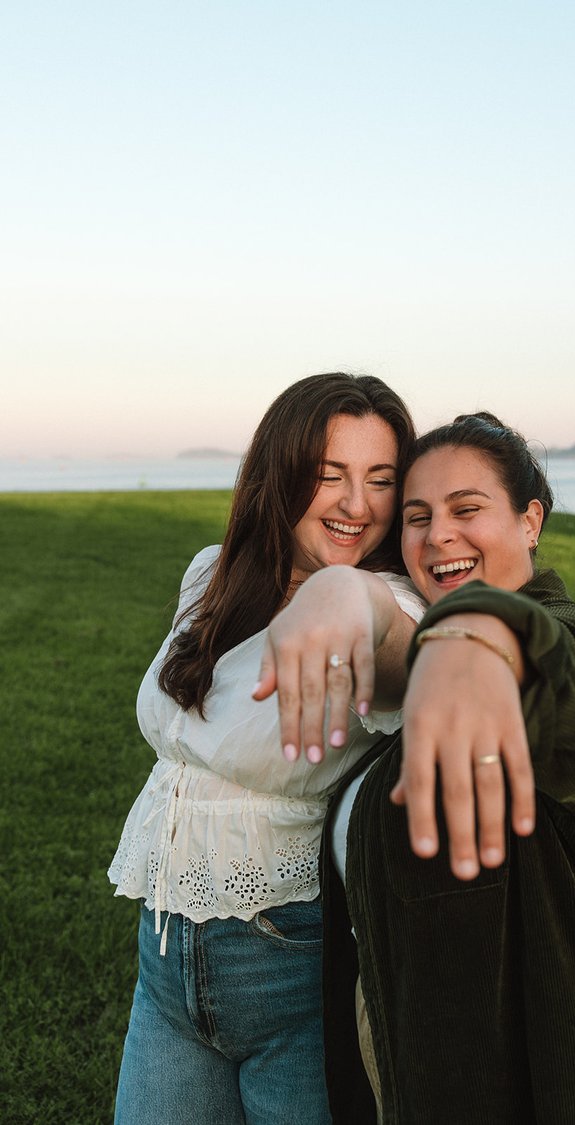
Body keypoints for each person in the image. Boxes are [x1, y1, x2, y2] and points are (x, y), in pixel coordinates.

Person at [321, 413, 575, 1124]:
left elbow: (574, 689)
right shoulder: (420, 677)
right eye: (417, 516)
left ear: (531, 520)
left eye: (467, 509)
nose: (438, 533)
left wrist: (483, 630)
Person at [108, 372, 427, 1125]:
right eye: (330, 476)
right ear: (278, 474)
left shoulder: (390, 604)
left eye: (381, 480)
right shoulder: (210, 576)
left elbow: (409, 650)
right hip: (164, 959)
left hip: (288, 967)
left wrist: (352, 595)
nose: (357, 504)